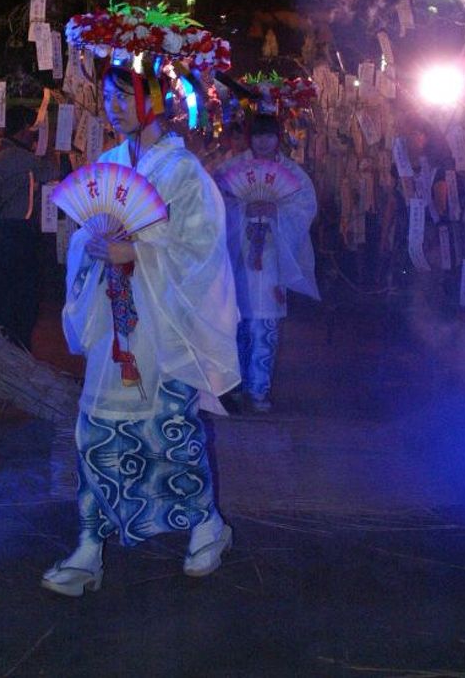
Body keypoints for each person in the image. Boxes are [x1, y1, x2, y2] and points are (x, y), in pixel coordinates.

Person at [41, 65, 240, 597]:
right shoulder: (108, 164)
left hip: (164, 323)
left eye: (123, 95)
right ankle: (89, 543)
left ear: (155, 99)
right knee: (97, 430)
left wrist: (141, 251)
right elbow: (85, 235)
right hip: (113, 320)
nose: (113, 106)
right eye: (107, 97)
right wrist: (96, 246)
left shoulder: (183, 172)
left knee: (169, 428)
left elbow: (202, 248)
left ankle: (206, 524)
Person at [215, 112, 319, 412]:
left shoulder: (293, 174)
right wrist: (242, 209)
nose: (263, 142)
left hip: (273, 258)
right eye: (258, 136)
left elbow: (304, 209)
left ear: (277, 137)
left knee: (267, 325)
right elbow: (217, 202)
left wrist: (276, 212)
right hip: (240, 256)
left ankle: (259, 389)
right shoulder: (232, 169)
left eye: (268, 135)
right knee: (237, 322)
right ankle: (233, 387)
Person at [0, 105, 55, 350]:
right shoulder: (14, 156)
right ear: (25, 128)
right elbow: (50, 170)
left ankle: (6, 344)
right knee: (22, 291)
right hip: (14, 232)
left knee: (6, 289)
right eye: (32, 128)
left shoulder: (1, 150)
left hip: (2, 231)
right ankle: (15, 346)